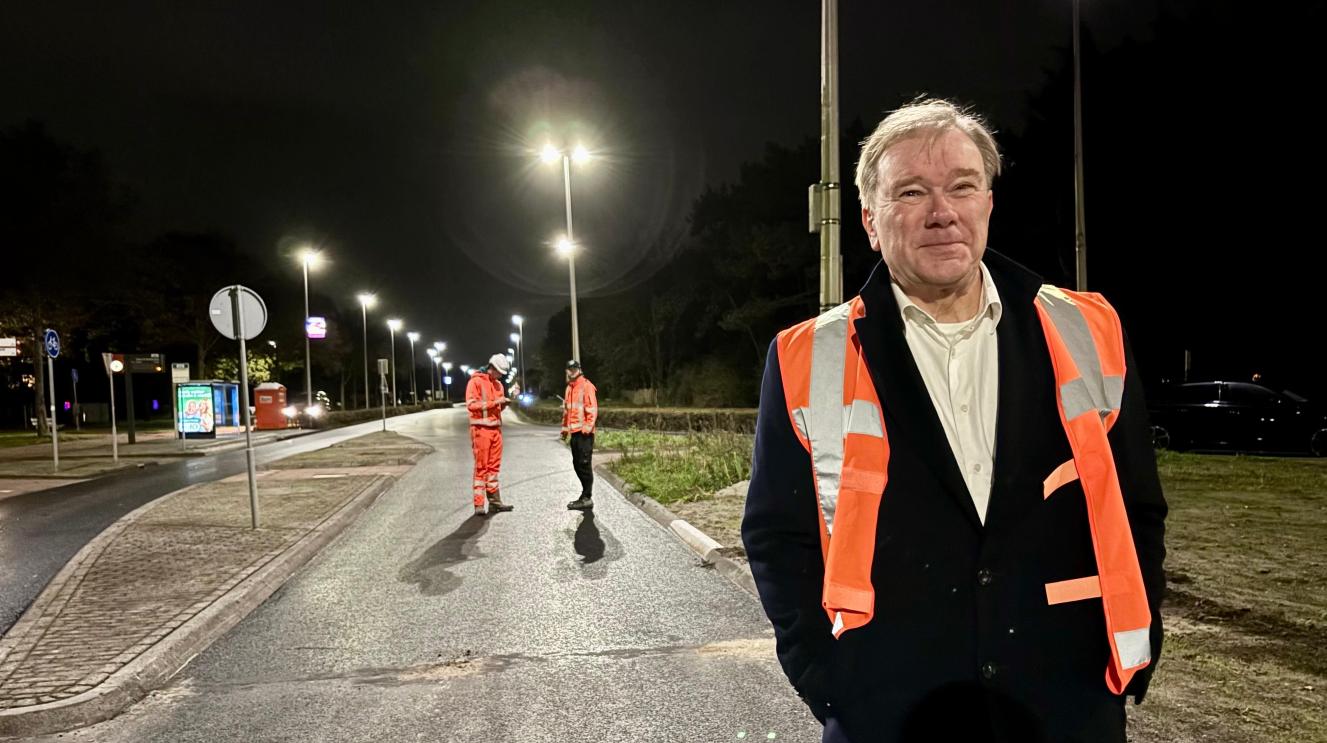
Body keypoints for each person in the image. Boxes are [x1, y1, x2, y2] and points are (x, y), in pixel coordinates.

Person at [741, 98, 1167, 743]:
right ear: (870, 221)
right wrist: (827, 679)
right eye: (910, 191)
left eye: (962, 186)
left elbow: (1137, 507)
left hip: (1066, 698)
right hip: (888, 708)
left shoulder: (1087, 327)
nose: (942, 213)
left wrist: (1135, 647)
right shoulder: (807, 356)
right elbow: (778, 534)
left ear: (988, 202)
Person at [466, 353, 514, 515]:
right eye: (499, 372)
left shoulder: (499, 385)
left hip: (496, 431)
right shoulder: (475, 382)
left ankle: (494, 502)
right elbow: (471, 405)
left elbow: (497, 409)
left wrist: (504, 404)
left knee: (493, 469)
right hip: (480, 430)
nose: (500, 375)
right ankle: (479, 504)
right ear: (491, 368)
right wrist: (496, 402)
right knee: (481, 468)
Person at [561, 359, 598, 510]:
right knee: (577, 465)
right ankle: (584, 494)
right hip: (574, 433)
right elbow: (567, 411)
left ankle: (587, 497)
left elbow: (592, 409)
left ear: (579, 369)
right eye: (569, 368)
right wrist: (564, 429)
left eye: (574, 368)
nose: (572, 371)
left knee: (584, 465)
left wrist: (588, 428)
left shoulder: (586, 386)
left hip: (584, 434)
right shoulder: (569, 388)